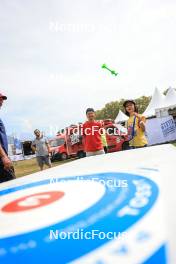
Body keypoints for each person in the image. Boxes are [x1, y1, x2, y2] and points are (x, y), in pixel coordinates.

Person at [0, 93, 16, 183]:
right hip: (1, 161)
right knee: (12, 186)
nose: (2, 101)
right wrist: (4, 157)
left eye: (2, 99)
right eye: (0, 99)